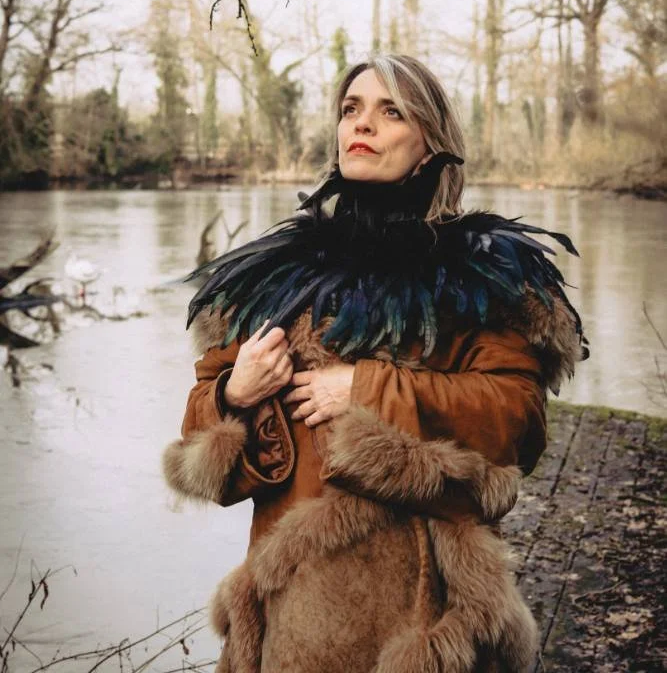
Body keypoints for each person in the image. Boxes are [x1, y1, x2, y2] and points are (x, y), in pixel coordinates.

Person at [162, 54, 587, 673]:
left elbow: (516, 419)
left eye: (391, 112)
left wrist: (366, 388)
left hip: (430, 626)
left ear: (429, 142)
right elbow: (203, 458)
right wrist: (235, 394)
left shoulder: (483, 279)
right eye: (351, 109)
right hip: (296, 620)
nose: (362, 124)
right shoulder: (275, 280)